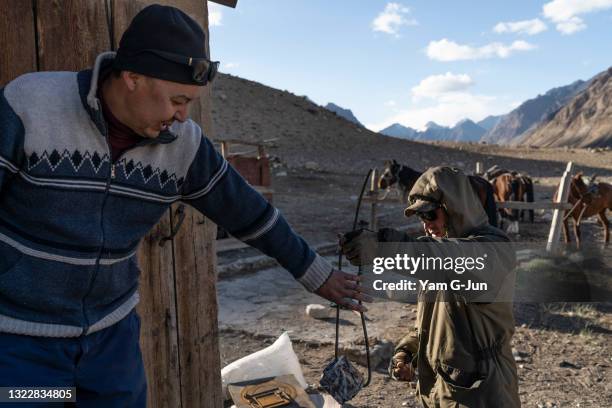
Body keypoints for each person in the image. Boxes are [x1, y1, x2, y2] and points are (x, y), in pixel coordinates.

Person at [0, 5, 368, 406]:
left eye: (190, 102)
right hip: (20, 341)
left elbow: (251, 214)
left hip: (110, 341)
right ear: (132, 78)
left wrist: (316, 274)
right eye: (177, 100)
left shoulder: (184, 145)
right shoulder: (31, 105)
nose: (183, 115)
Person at [341, 166, 520, 407]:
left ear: (454, 209)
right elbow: (431, 326)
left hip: (482, 393)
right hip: (442, 390)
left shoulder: (494, 249)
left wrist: (384, 247)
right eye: (420, 218)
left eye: (430, 215)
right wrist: (407, 353)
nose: (426, 225)